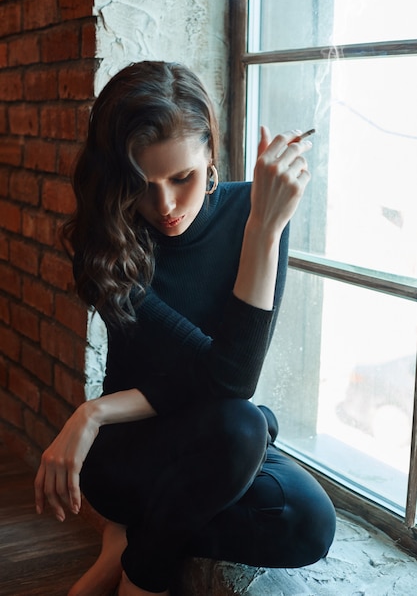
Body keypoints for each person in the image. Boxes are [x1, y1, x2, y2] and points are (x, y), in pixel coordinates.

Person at [34, 61, 336, 596]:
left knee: (307, 521)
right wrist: (97, 417)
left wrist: (264, 230)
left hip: (219, 440)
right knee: (244, 423)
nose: (166, 205)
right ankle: (143, 580)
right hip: (132, 451)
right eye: (141, 184)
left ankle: (132, 553)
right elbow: (230, 378)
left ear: (210, 156)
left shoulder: (257, 211)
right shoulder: (106, 240)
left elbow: (229, 381)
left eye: (182, 177)